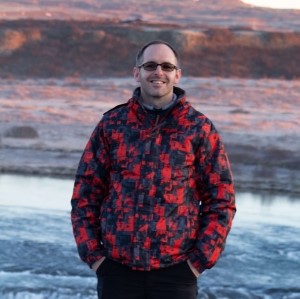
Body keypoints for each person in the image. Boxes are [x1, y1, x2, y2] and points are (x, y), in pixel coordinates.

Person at [70, 40, 236, 299]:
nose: (158, 72)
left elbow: (221, 201)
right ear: (137, 73)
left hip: (176, 274)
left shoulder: (199, 128)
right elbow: (85, 194)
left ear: (177, 74)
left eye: (167, 66)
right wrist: (94, 257)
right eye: (150, 65)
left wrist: (198, 262)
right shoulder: (112, 125)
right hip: (117, 273)